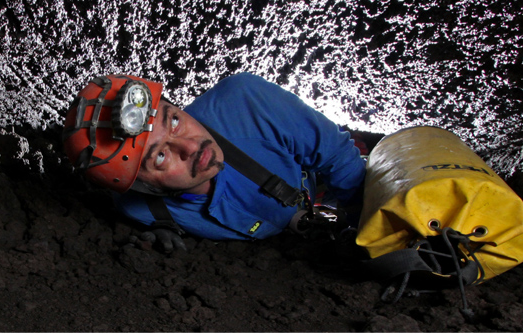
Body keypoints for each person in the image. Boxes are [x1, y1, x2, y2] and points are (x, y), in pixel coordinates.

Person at [62, 72, 366, 250]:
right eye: (161, 156)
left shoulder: (245, 102)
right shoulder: (140, 208)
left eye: (175, 122)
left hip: (314, 181)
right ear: (144, 188)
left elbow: (342, 160)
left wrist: (364, 234)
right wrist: (168, 230)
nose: (191, 146)